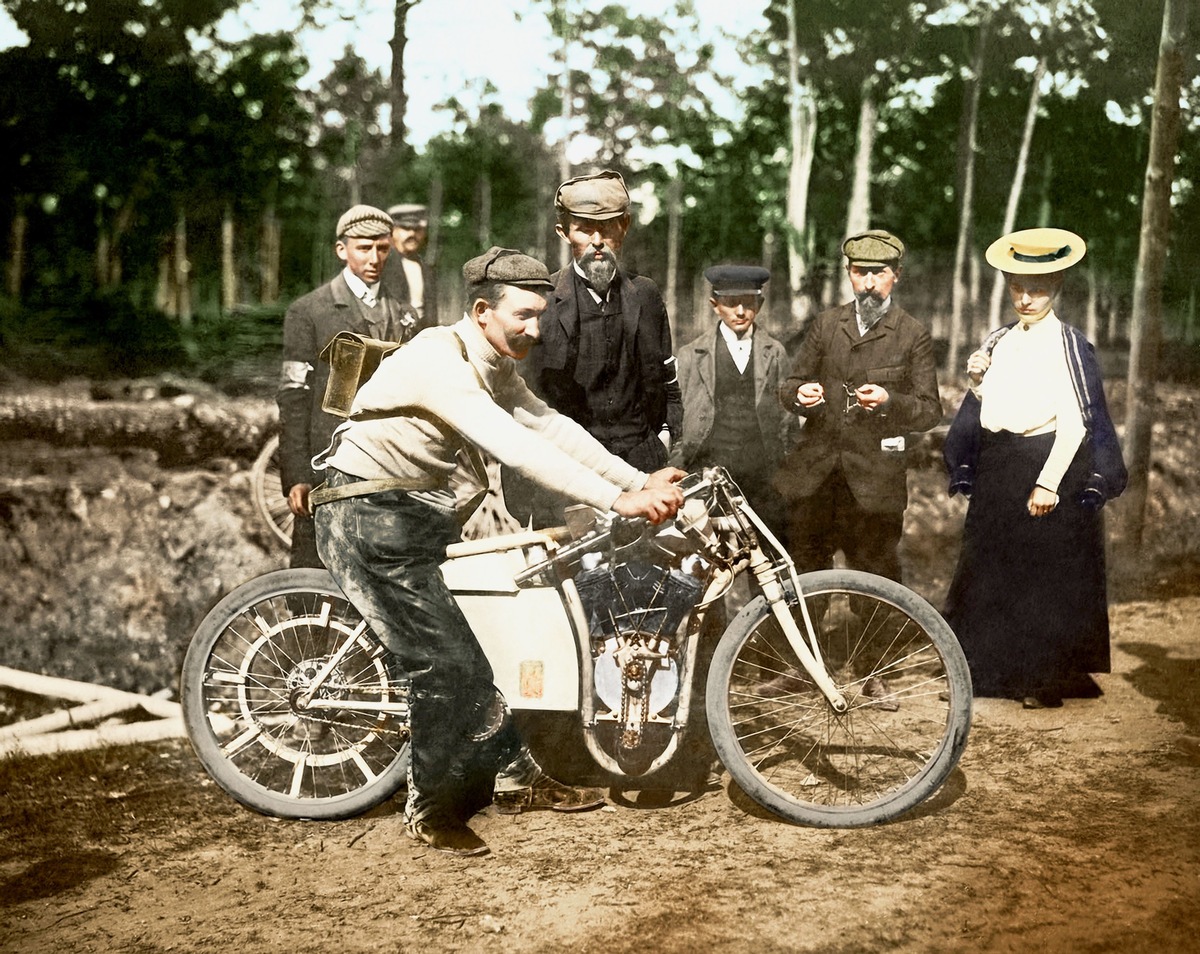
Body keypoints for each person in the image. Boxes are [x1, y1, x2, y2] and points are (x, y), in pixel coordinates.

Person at [311, 246, 685, 857]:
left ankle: (512, 776)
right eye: (524, 317)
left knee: (510, 632)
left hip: (414, 516)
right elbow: (513, 446)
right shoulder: (439, 358)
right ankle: (431, 811)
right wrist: (615, 501)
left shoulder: (491, 361)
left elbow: (551, 427)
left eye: (542, 316)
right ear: (483, 311)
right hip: (366, 517)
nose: (536, 330)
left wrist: (635, 481)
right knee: (449, 668)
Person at [943, 227, 1127, 710]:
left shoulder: (1068, 344)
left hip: (1044, 462)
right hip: (999, 465)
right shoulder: (1001, 339)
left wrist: (1048, 483)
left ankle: (1040, 677)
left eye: (1038, 289)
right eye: (1017, 287)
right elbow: (991, 411)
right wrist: (978, 383)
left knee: (1040, 575)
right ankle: (994, 671)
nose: (1026, 299)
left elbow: (1077, 422)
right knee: (993, 566)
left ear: (1057, 287)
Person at [510, 169, 683, 526]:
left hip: (642, 467)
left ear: (626, 227)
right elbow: (519, 401)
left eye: (608, 227)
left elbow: (668, 381)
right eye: (585, 229)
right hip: (568, 476)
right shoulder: (541, 301)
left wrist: (664, 440)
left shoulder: (646, 295)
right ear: (564, 232)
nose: (598, 240)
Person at [774, 229, 942, 583]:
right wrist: (801, 396)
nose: (868, 283)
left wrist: (888, 401)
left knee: (876, 582)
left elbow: (930, 410)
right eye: (860, 272)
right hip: (816, 480)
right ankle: (803, 639)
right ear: (849, 272)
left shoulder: (913, 335)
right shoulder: (827, 325)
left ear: (896, 274)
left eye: (879, 273)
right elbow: (788, 387)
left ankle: (876, 639)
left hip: (874, 485)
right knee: (804, 576)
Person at [276, 204, 423, 569]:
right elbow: (294, 397)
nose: (374, 258)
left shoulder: (406, 314)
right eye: (363, 248)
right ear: (342, 250)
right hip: (327, 464)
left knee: (384, 573)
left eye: (382, 248)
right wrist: (296, 476)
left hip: (390, 466)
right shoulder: (309, 311)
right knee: (315, 575)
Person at [673, 265, 797, 543]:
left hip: (763, 475)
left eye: (748, 303)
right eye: (730, 303)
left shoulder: (774, 352)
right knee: (705, 558)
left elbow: (788, 418)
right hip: (709, 474)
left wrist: (788, 472)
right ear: (715, 306)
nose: (740, 311)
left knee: (769, 558)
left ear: (760, 305)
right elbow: (677, 415)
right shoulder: (692, 354)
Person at [382, 202, 438, 327]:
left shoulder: (426, 267)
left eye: (417, 230)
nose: (412, 234)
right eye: (406, 229)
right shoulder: (381, 265)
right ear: (392, 231)